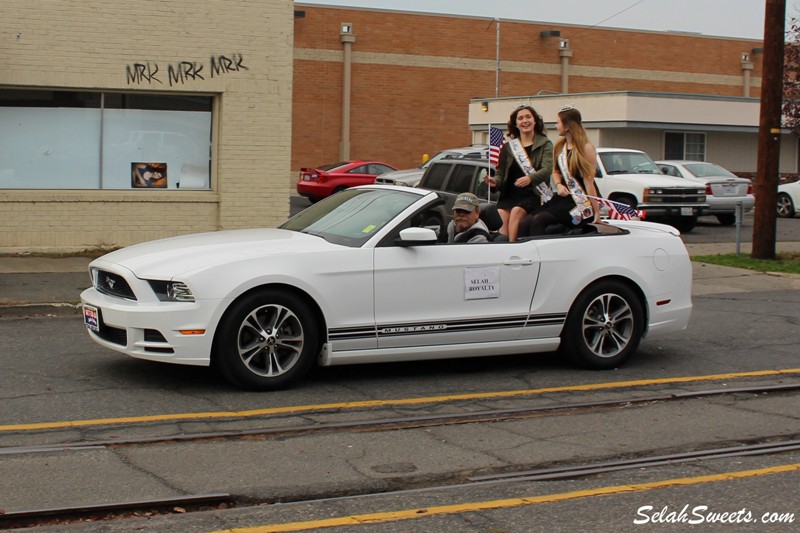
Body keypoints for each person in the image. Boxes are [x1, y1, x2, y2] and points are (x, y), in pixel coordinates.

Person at [518, 106, 601, 237]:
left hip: (581, 200)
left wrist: (597, 212)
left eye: (558, 122)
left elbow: (589, 182)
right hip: (563, 196)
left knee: (539, 220)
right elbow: (555, 171)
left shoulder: (586, 148)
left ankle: (539, 255)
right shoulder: (560, 146)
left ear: (567, 126)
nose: (556, 126)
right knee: (525, 222)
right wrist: (559, 185)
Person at [484, 105, 553, 241]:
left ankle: (513, 247)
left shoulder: (545, 144)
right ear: (515, 124)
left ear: (535, 121)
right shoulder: (509, 147)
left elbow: (547, 169)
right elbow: (500, 172)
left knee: (516, 212)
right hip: (510, 194)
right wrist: (495, 182)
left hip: (532, 193)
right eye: (520, 118)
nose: (524, 121)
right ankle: (502, 250)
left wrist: (530, 178)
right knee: (501, 214)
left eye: (528, 117)